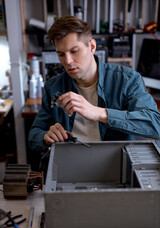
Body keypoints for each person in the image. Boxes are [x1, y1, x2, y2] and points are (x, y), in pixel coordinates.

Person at [28, 15, 160, 151]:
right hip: (68, 161)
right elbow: (34, 134)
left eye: (74, 51)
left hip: (113, 164)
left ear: (91, 46)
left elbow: (156, 125)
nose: (67, 61)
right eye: (61, 54)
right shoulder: (53, 86)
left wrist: (99, 113)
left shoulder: (127, 80)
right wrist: (46, 137)